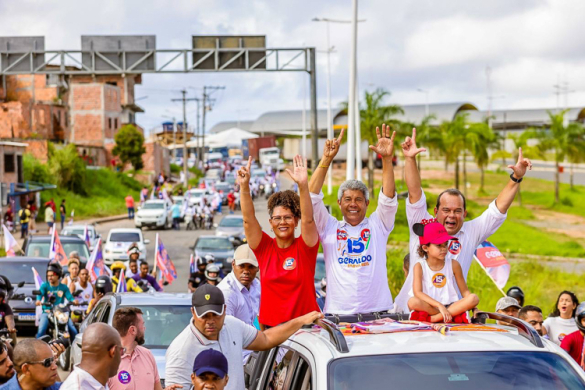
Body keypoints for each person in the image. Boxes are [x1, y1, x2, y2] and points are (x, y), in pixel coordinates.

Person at [394, 128, 533, 313]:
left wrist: (516, 178)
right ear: (435, 212)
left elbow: (498, 209)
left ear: (465, 213)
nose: (452, 215)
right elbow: (414, 192)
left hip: (452, 317)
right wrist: (410, 159)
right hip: (410, 315)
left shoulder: (471, 231)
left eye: (457, 211)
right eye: (446, 210)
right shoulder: (422, 224)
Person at [309, 126, 400, 315]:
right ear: (339, 202)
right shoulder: (329, 227)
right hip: (338, 313)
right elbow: (310, 197)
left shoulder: (378, 225)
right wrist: (326, 159)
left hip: (378, 313)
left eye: (358, 199)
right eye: (348, 199)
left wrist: (386, 160)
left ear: (367, 203)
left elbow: (389, 198)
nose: (353, 204)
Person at [165, 285, 323, 390]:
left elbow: (266, 340)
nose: (210, 321)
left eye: (216, 315)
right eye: (204, 316)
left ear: (225, 310)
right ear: (193, 312)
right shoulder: (180, 350)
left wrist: (301, 320)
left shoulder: (232, 325)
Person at [240, 155, 320, 327]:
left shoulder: (305, 247)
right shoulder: (264, 248)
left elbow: (309, 220)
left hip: (305, 331)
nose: (282, 222)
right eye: (277, 218)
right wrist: (244, 187)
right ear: (270, 223)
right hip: (271, 332)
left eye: (287, 217)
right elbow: (248, 220)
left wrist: (303, 186)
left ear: (296, 220)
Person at [408, 221, 479, 323]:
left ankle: (435, 318)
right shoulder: (420, 266)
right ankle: (449, 315)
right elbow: (417, 293)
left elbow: (465, 292)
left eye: (445, 245)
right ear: (425, 247)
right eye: (439, 245)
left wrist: (474, 308)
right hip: (431, 307)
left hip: (451, 305)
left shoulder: (454, 264)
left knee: (474, 298)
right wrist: (439, 305)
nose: (443, 249)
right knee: (412, 302)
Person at [108, 307, 180, 390]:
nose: (144, 328)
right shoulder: (109, 361)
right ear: (133, 330)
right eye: (142, 325)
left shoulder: (147, 355)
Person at [217, 244, 260, 362]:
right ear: (233, 265)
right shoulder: (227, 292)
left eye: (251, 267)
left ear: (258, 268)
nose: (246, 271)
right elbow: (225, 336)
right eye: (242, 266)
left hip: (258, 354)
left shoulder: (257, 286)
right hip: (238, 360)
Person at [61, 323, 122, 390]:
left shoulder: (97, 381)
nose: (121, 356)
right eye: (122, 350)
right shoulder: (77, 387)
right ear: (113, 352)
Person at [35, 263, 78, 339]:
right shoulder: (45, 285)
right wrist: (38, 300)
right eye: (48, 276)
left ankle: (76, 347)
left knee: (73, 330)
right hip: (47, 311)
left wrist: (74, 301)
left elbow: (69, 296)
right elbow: (40, 293)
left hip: (60, 312)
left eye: (52, 275)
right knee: (41, 330)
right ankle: (37, 346)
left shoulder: (63, 287)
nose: (50, 277)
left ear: (58, 275)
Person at [560, 302, 585, 368]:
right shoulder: (569, 338)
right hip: (575, 376)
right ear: (579, 321)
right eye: (584, 320)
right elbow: (561, 362)